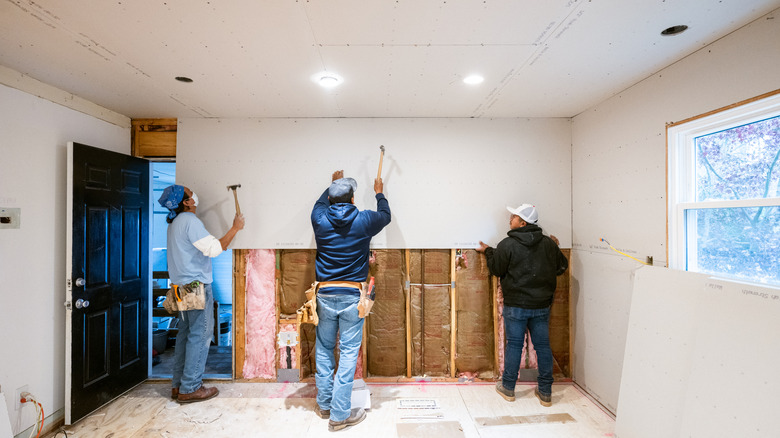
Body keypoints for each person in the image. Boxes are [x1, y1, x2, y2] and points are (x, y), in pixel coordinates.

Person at [311, 170, 391, 431]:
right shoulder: (365, 220)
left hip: (324, 294)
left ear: (332, 199)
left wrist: (332, 183)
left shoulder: (319, 219)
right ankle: (339, 415)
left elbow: (321, 203)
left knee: (324, 348)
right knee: (347, 353)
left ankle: (325, 406)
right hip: (351, 296)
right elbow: (386, 216)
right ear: (354, 199)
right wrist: (379, 191)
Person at [158, 184, 245, 403]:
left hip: (180, 286)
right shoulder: (189, 221)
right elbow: (215, 249)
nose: (194, 193)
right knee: (200, 335)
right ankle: (191, 388)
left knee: (185, 335)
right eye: (190, 192)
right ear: (187, 202)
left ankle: (178, 386)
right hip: (194, 286)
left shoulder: (175, 223)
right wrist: (235, 228)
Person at [476, 203, 567, 407]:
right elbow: (561, 266)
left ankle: (508, 388)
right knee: (543, 346)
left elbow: (497, 269)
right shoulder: (547, 244)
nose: (510, 219)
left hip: (516, 305)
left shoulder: (508, 244)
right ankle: (545, 392)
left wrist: (488, 251)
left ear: (522, 222)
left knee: (515, 345)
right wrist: (554, 248)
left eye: (514, 216)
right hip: (541, 305)